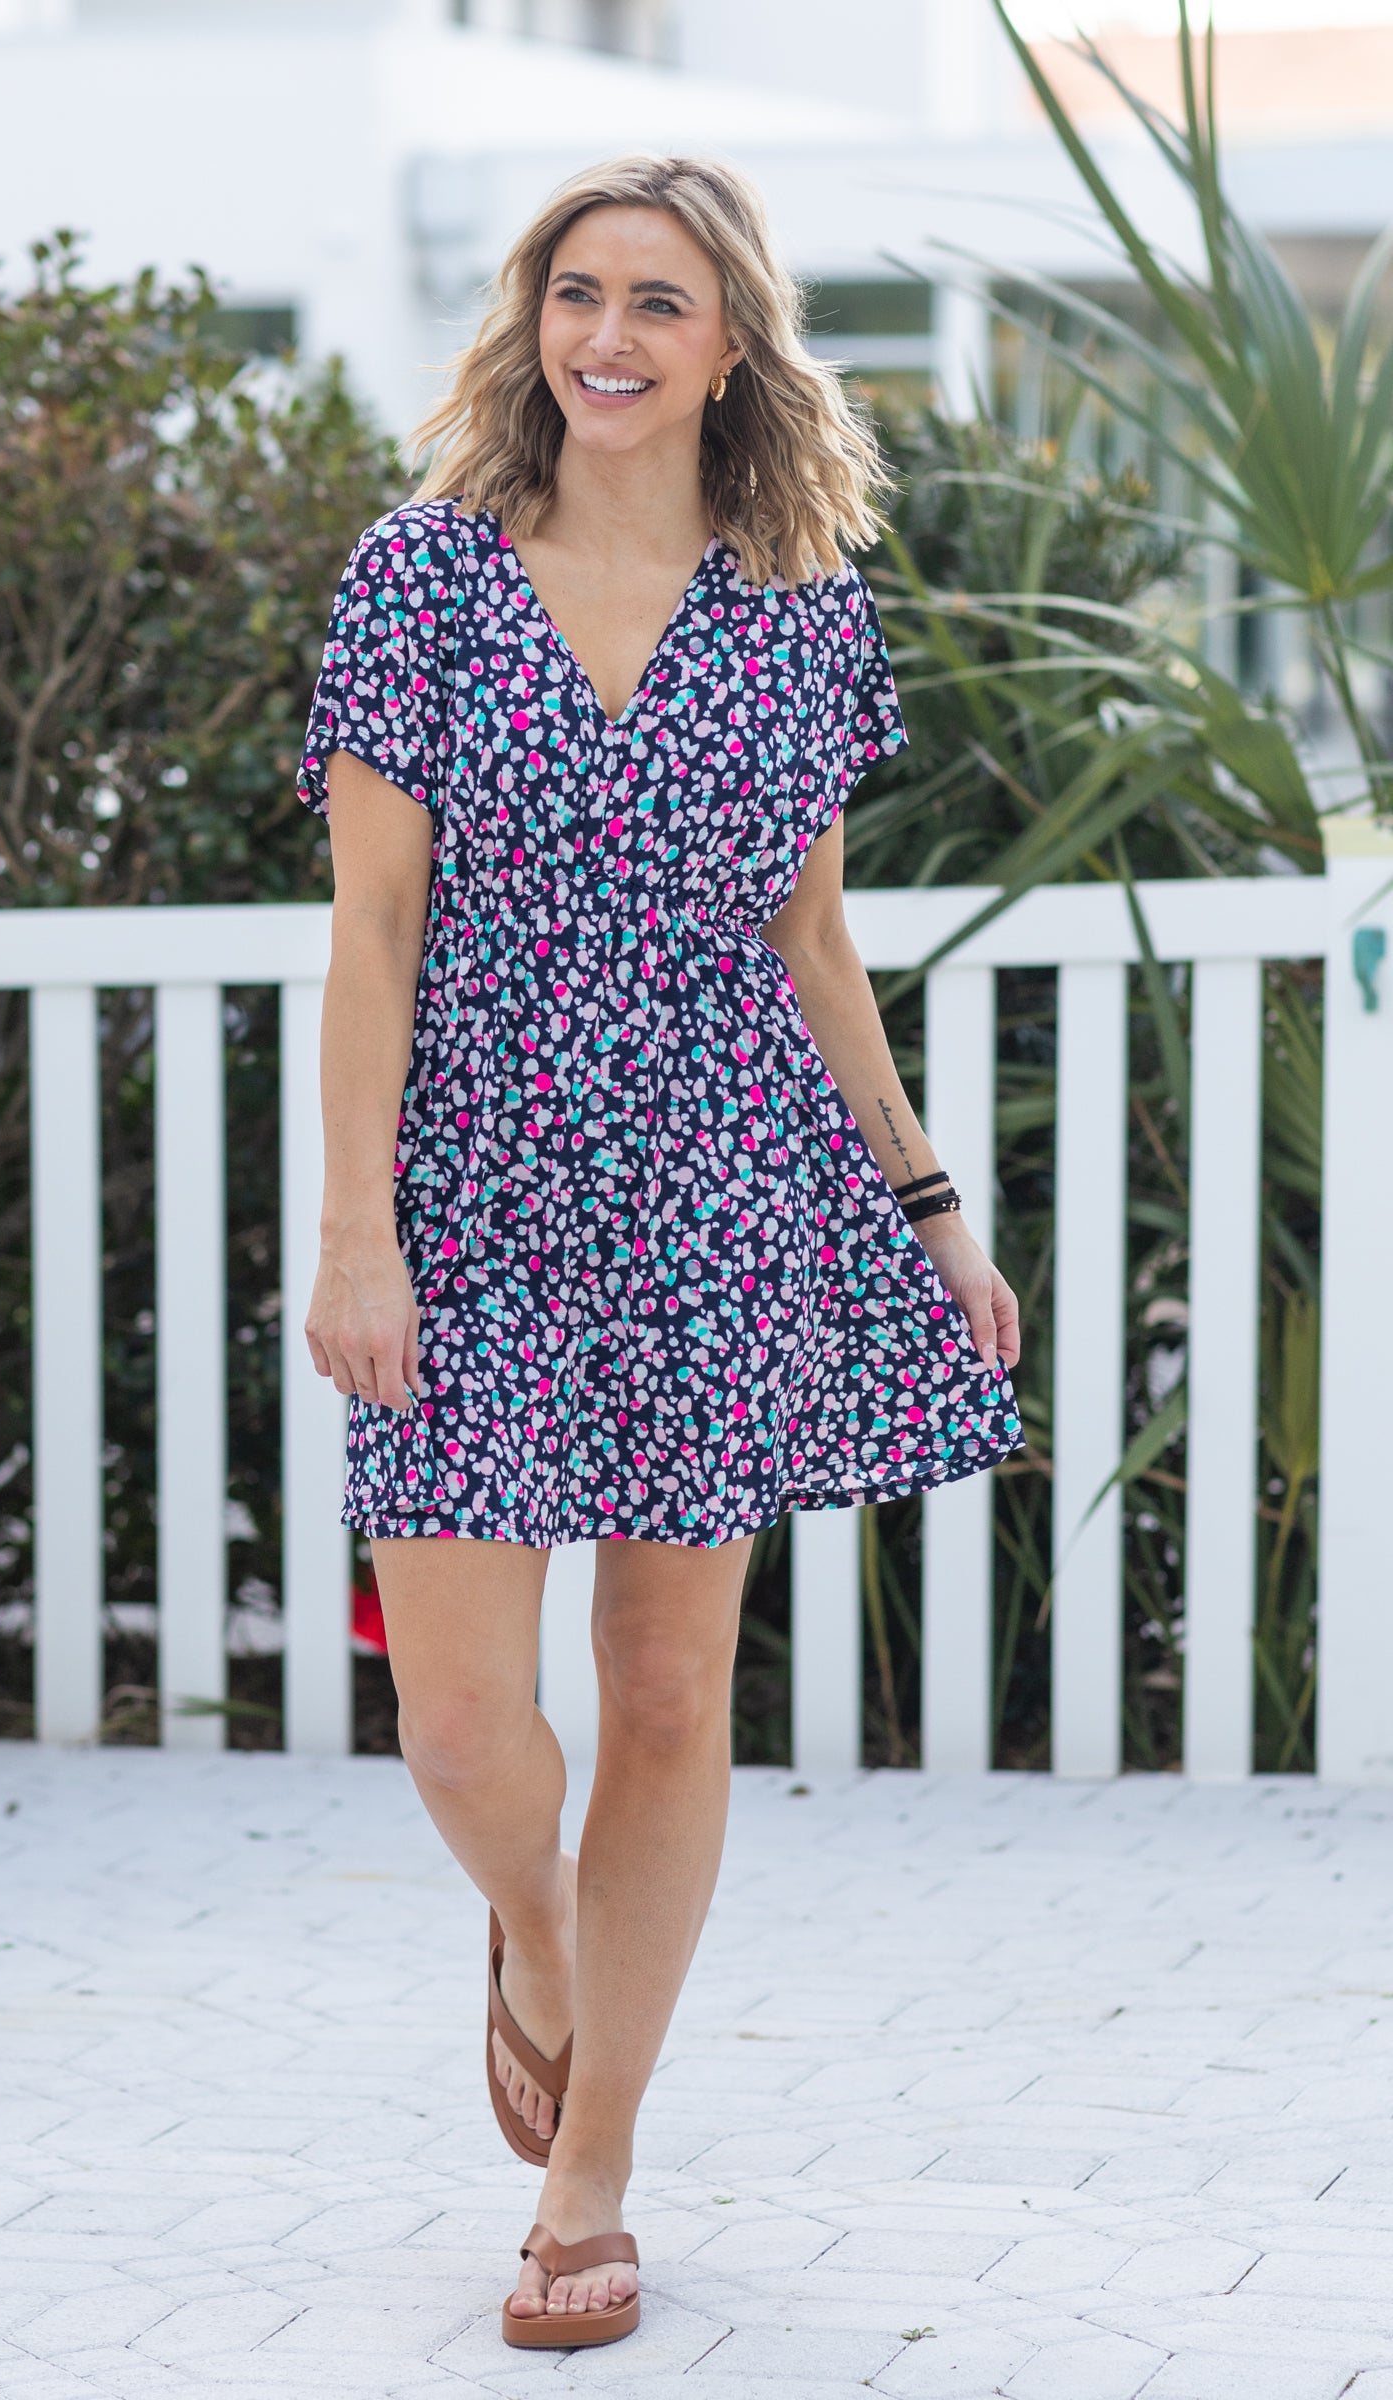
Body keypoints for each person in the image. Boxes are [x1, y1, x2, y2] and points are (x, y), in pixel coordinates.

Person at [299, 153, 1023, 2353]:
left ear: (730, 348)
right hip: (472, 1191)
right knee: (456, 1719)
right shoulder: (420, 579)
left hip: (718, 1188)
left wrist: (921, 1199)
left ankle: (587, 2177)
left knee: (664, 1694)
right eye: (576, 295)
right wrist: (354, 1234)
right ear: (538, 322)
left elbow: (809, 932)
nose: (605, 338)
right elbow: (375, 928)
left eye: (657, 304)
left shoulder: (800, 600)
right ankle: (529, 1924)